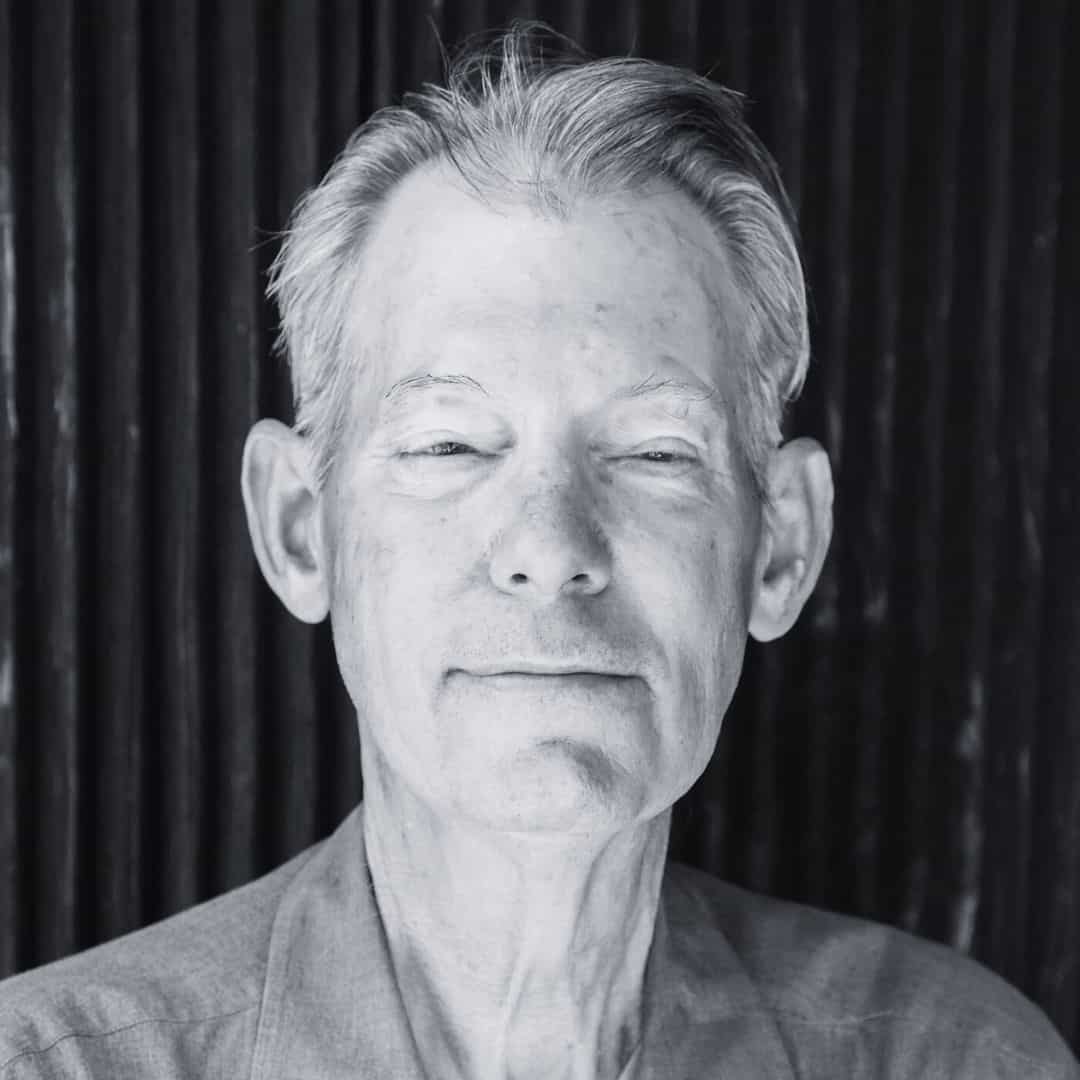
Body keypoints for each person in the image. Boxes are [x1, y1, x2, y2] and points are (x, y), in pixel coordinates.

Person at [0, 22, 1076, 1080]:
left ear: (780, 546)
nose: (550, 549)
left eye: (654, 451)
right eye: (451, 444)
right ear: (298, 528)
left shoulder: (963, 1061)